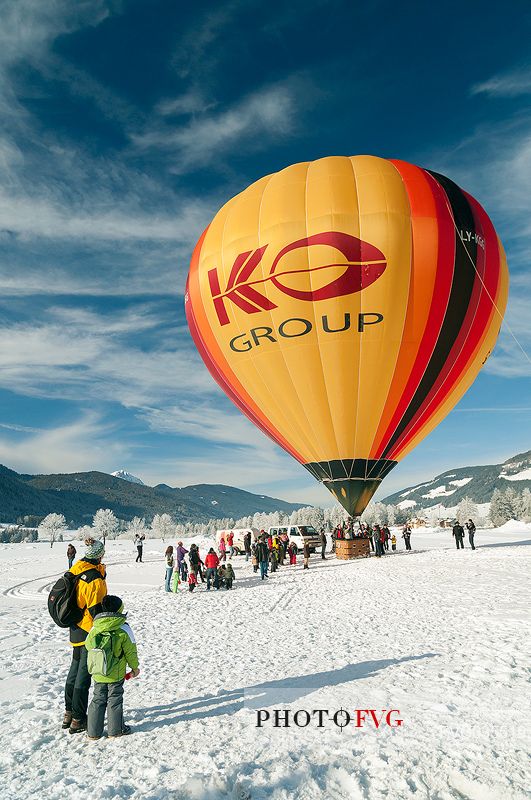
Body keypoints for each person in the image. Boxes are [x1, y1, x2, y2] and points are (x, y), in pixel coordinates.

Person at [64, 538, 107, 735]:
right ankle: (78, 718)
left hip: (74, 627)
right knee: (83, 675)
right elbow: (97, 611)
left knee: (74, 671)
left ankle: (69, 712)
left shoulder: (77, 569)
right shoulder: (94, 579)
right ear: (99, 555)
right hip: (88, 631)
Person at [85, 594, 139, 740]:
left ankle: (93, 732)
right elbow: (130, 651)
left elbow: (88, 645)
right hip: (116, 673)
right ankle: (115, 730)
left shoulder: (95, 627)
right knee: (114, 699)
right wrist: (135, 668)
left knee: (98, 699)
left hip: (98, 671)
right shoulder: (123, 628)